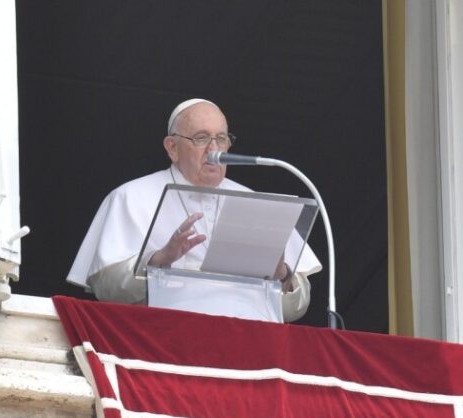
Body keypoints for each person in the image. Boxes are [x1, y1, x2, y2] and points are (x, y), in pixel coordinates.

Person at [67, 98, 321, 321]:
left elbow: (296, 309)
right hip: (165, 338)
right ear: (172, 148)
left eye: (221, 139)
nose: (214, 150)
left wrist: (281, 274)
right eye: (201, 138)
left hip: (249, 343)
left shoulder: (257, 203)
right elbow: (106, 290)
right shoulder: (130, 196)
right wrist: (157, 261)